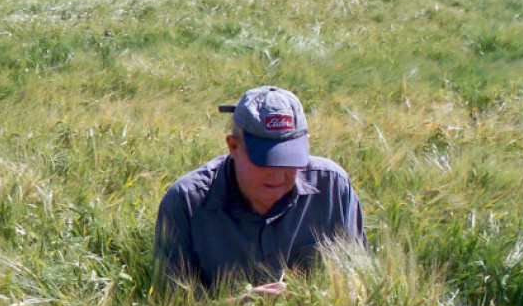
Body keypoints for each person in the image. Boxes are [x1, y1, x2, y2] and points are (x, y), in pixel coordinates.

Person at [154, 85, 365, 295]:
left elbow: (358, 284)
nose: (277, 174)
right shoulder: (186, 202)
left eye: (289, 160)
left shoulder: (333, 187)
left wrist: (314, 303)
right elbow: (171, 305)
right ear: (233, 146)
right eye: (264, 161)